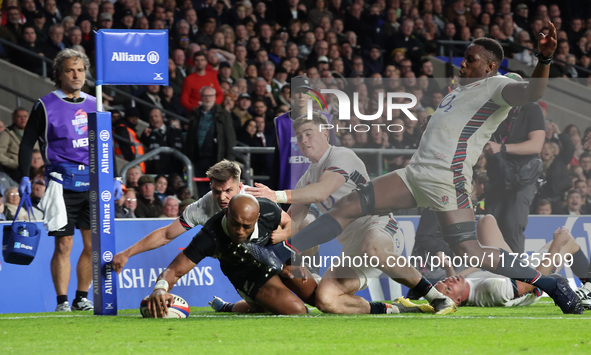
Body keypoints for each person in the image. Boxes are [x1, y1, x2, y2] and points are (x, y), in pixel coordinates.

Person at [242, 27, 584, 314]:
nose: (462, 63)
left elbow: (534, 91)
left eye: (470, 59)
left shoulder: (498, 86)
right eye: (463, 57)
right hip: (418, 172)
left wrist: (545, 59)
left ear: (490, 66)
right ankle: (280, 253)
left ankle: (550, 283)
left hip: (445, 177)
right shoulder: (461, 90)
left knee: (471, 252)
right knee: (347, 205)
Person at [248, 112, 452, 314]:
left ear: (325, 134)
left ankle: (437, 298)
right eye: (299, 136)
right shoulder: (306, 179)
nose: (303, 140)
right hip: (352, 247)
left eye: (309, 133)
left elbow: (322, 191)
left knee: (372, 249)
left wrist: (277, 195)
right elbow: (293, 222)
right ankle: (396, 309)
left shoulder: (341, 155)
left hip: (378, 225)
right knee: (326, 300)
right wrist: (259, 236)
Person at [18, 48, 122, 312]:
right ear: (59, 74)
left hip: (94, 183)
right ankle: (62, 301)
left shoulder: (94, 103)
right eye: (69, 70)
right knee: (64, 243)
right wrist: (23, 176)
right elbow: (28, 140)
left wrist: (116, 176)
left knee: (91, 244)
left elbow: (107, 142)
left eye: (80, 70)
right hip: (61, 182)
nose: (76, 75)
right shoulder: (45, 104)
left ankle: (81, 297)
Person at [144, 194, 315, 317]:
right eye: (235, 224)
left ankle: (244, 305)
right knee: (297, 310)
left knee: (317, 297)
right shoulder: (209, 236)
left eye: (246, 226)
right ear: (226, 214)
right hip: (246, 273)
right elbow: (175, 270)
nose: (240, 231)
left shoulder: (268, 210)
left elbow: (289, 224)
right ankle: (232, 307)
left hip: (275, 257)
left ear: (257, 218)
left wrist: (289, 259)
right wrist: (160, 288)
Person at [112, 160, 289, 273]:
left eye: (228, 191)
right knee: (262, 306)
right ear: (210, 186)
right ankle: (228, 306)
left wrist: (284, 234)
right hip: (238, 263)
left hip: (273, 250)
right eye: (217, 191)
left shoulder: (255, 197)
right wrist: (127, 253)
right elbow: (166, 235)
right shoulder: (201, 207)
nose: (222, 198)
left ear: (240, 186)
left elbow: (289, 222)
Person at [435, 215, 589, 308]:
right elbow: (536, 280)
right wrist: (556, 245)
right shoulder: (493, 290)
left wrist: (448, 267)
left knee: (486, 221)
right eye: (449, 288)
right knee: (569, 242)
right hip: (536, 275)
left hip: (514, 271)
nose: (449, 281)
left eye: (445, 282)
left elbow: (461, 277)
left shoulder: (465, 285)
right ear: (457, 300)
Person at [484, 73, 545, 254]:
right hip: (499, 175)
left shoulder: (531, 109)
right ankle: (493, 276)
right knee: (490, 224)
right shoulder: (494, 111)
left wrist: (502, 148)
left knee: (512, 225)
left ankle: (518, 278)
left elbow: (536, 145)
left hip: (523, 178)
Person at [185, 86, 236, 197]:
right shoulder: (195, 114)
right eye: (205, 96)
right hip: (197, 158)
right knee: (199, 189)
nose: (207, 98)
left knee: (217, 188)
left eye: (210, 96)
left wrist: (228, 162)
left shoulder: (223, 114)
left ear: (214, 97)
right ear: (201, 97)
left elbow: (230, 139)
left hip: (217, 158)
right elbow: (190, 138)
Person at [0, 107, 30, 181]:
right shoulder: (7, 134)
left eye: (25, 116)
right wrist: (15, 164)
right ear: (14, 119)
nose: (22, 119)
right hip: (15, 170)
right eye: (19, 116)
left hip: (35, 168)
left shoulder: (35, 134)